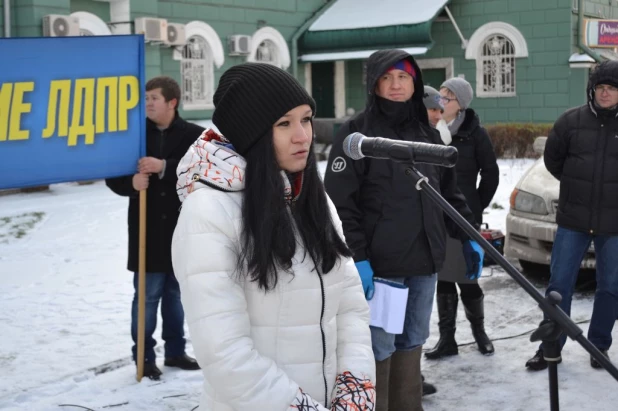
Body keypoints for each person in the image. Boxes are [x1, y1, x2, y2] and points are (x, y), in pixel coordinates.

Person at [171, 63, 376, 410]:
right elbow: (225, 354)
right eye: (284, 124)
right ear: (251, 133)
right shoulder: (208, 213)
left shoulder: (312, 198)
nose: (303, 136)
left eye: (306, 119)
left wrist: (353, 394)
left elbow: (351, 309)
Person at [324, 50, 480, 411]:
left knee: (413, 340)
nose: (396, 85)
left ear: (415, 83)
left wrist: (469, 235)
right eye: (387, 77)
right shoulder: (356, 134)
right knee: (380, 346)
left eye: (404, 77)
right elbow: (340, 204)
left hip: (425, 261)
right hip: (382, 270)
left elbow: (449, 193)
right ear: (374, 83)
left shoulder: (427, 133)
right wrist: (358, 257)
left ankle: (409, 405)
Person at [105, 76, 204, 380]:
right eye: (145, 98)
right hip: (146, 230)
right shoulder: (134, 135)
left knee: (175, 294)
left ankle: (175, 350)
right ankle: (144, 356)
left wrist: (163, 167)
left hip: (181, 229)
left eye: (153, 98)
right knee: (147, 297)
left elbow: (201, 170)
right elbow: (114, 175)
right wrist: (131, 184)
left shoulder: (195, 136)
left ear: (172, 102)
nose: (147, 103)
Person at [526, 60, 618, 371]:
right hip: (573, 221)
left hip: (615, 224)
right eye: (600, 87)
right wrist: (579, 187)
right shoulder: (570, 122)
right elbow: (553, 161)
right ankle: (551, 346)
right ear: (592, 89)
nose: (605, 93)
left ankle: (598, 346)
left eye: (612, 88)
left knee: (611, 286)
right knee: (558, 285)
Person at [424, 78, 499, 360]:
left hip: (464, 217)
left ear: (462, 104)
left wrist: (476, 206)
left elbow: (491, 174)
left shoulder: (475, 134)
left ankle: (479, 332)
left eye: (449, 97)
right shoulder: (431, 131)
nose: (441, 102)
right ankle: (447, 339)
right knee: (443, 279)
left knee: (468, 277)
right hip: (436, 216)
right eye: (440, 96)